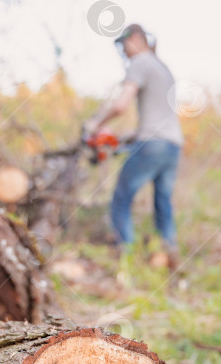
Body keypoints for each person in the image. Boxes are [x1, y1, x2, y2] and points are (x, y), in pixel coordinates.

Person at [86, 24, 183, 265]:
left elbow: (120, 106)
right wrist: (125, 137)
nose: (125, 51)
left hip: (152, 144)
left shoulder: (140, 63)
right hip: (172, 145)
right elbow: (159, 118)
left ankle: (124, 254)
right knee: (163, 201)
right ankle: (168, 248)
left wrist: (95, 124)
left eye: (125, 44)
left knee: (121, 197)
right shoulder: (164, 69)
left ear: (137, 39)